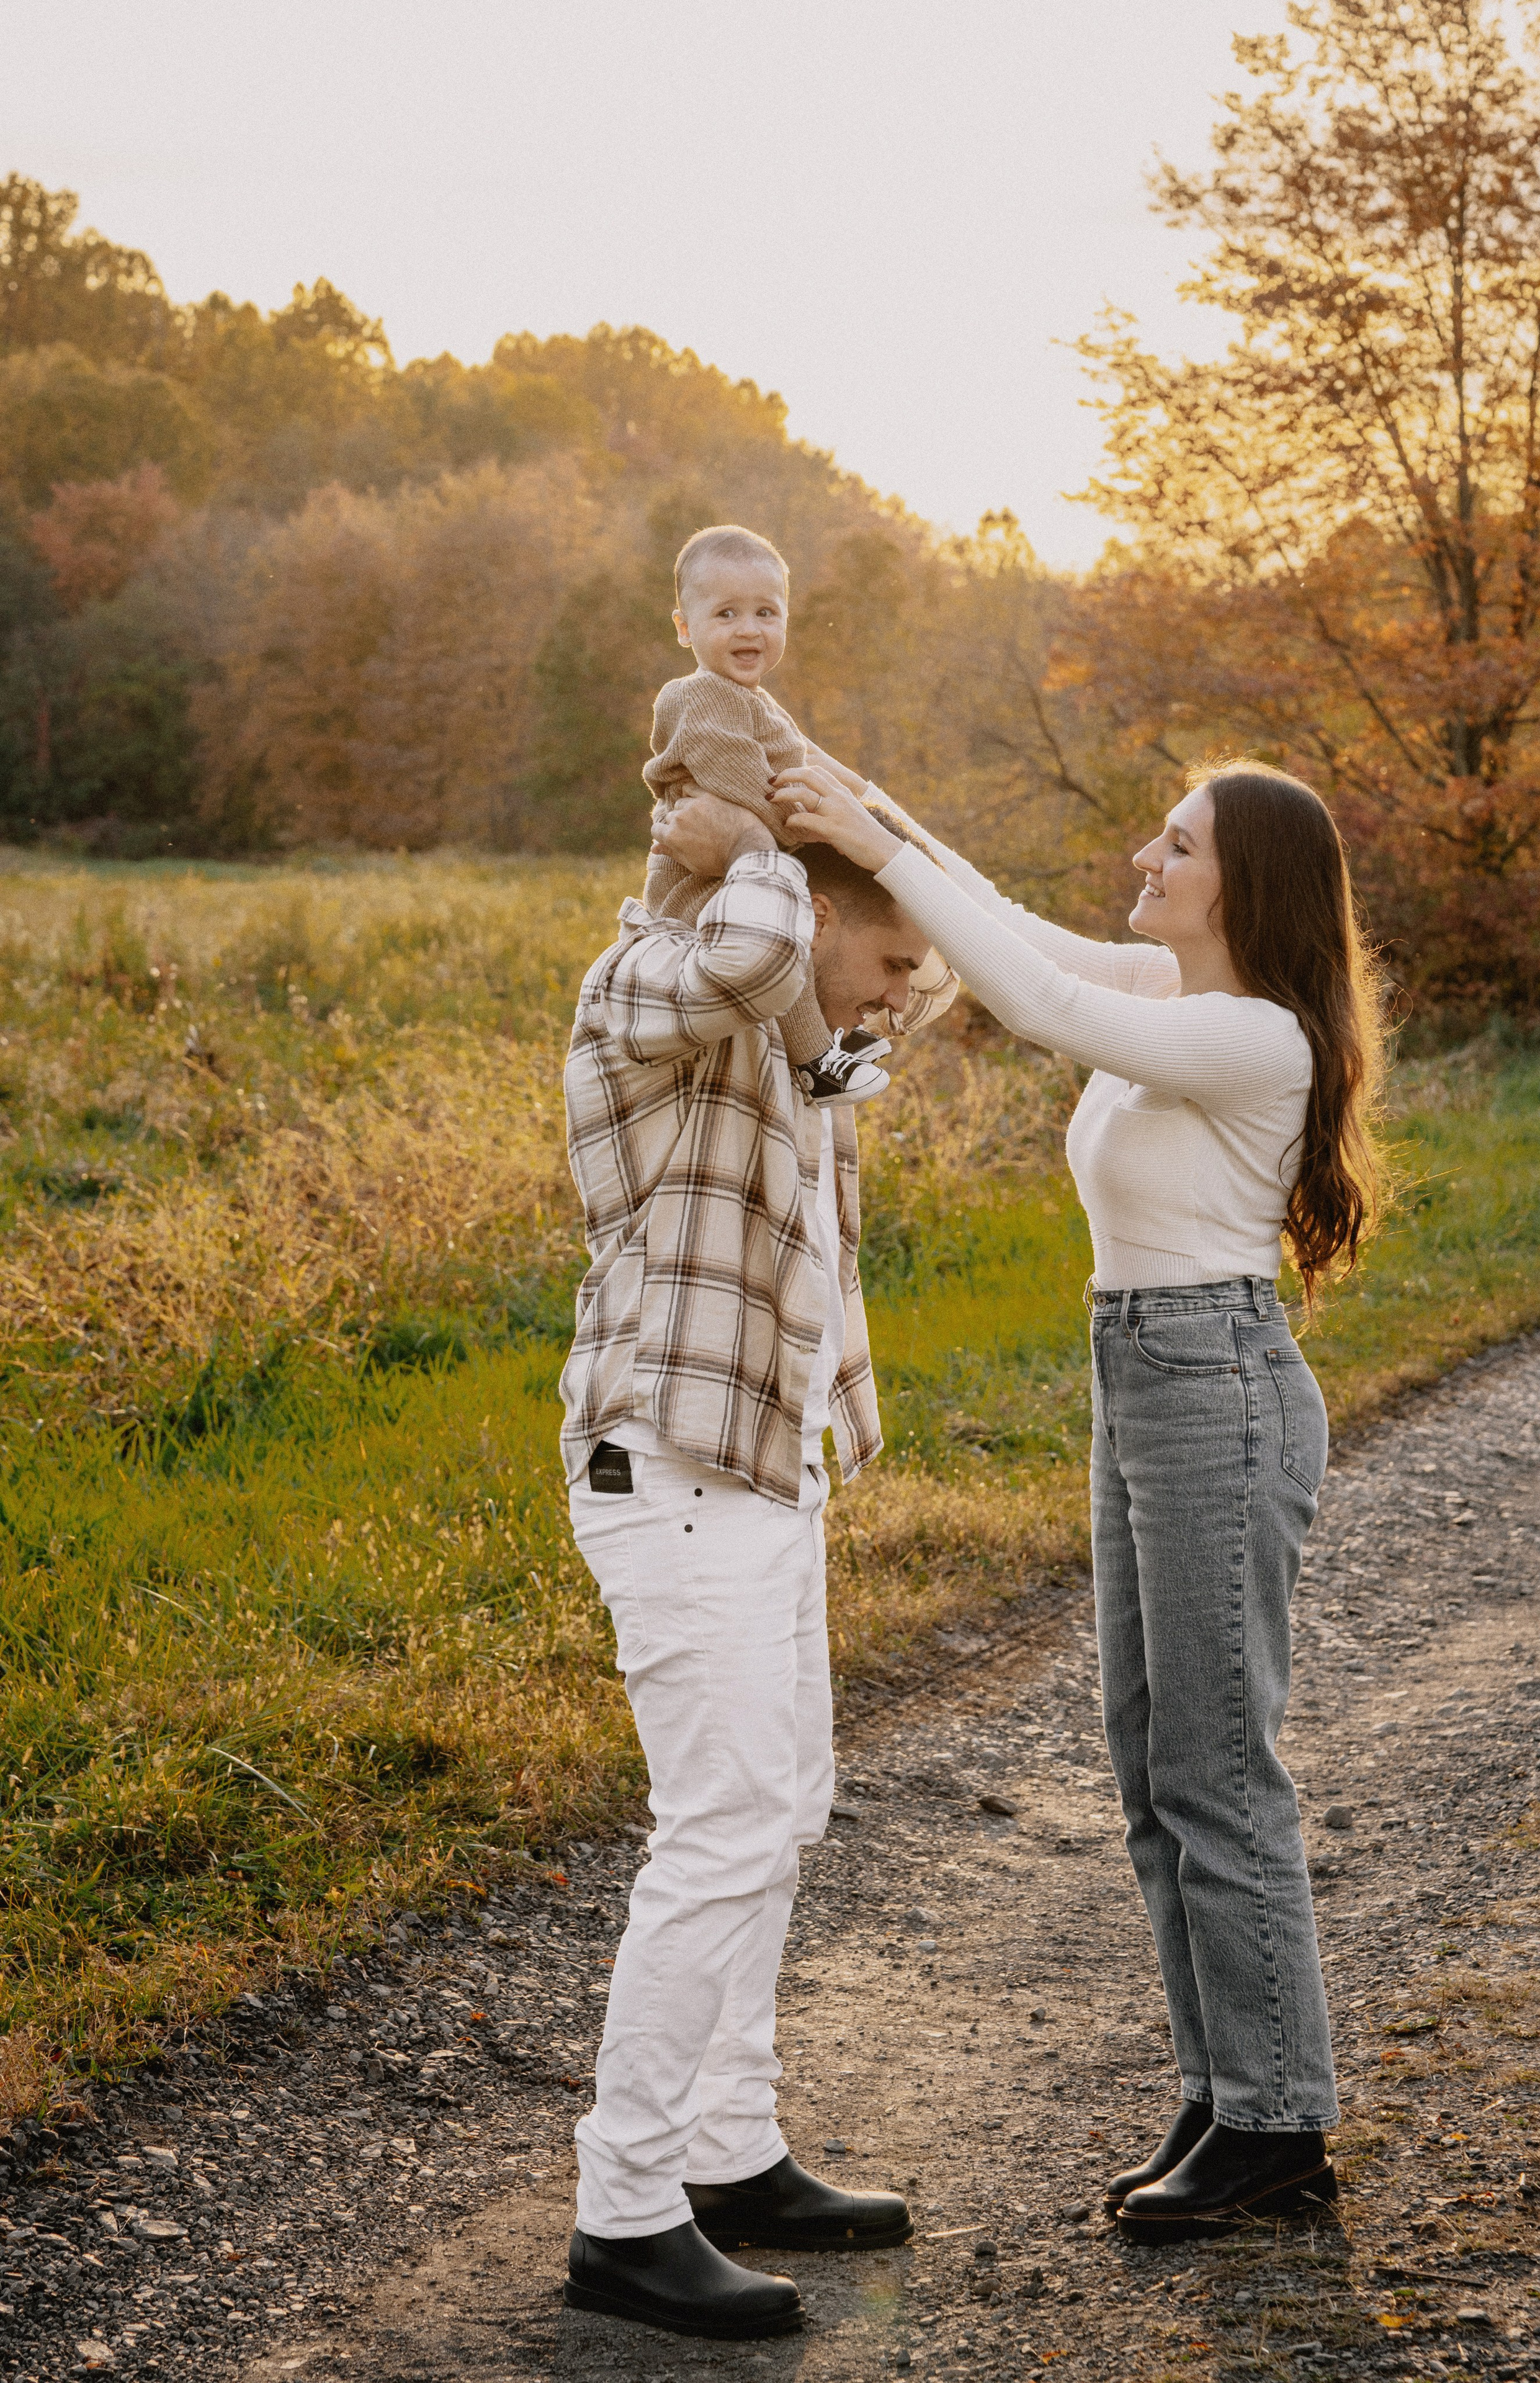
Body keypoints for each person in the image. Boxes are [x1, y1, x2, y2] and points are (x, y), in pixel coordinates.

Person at [759, 755, 1385, 2246]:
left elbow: (1034, 1002)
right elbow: (1003, 927)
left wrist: (867, 846)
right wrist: (862, 799)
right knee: (1150, 1764)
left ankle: (1277, 2124)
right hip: (1148, 1374)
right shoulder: (1173, 987)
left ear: (1243, 886)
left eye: (1177, 845)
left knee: (1214, 1768)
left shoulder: (1249, 1033)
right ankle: (1223, 2093)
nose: (1145, 858)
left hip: (1213, 1383)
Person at [558, 790, 956, 2338]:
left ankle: (727, 2149)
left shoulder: (788, 1047)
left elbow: (837, 1015)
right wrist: (758, 853)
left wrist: (835, 833)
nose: (902, 991)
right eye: (890, 959)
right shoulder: (649, 986)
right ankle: (624, 2210)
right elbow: (744, 956)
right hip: (667, 1469)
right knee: (718, 1827)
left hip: (762, 1473)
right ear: (804, 913)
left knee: (780, 1811)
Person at [641, 521, 895, 1107]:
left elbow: (797, 762)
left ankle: (826, 1036)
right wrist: (811, 828)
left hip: (746, 866)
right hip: (700, 879)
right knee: (785, 939)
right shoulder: (698, 694)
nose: (749, 629)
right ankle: (815, 1063)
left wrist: (855, 817)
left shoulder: (751, 700)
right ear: (685, 627)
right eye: (726, 614)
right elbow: (738, 780)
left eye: (766, 612)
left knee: (809, 929)